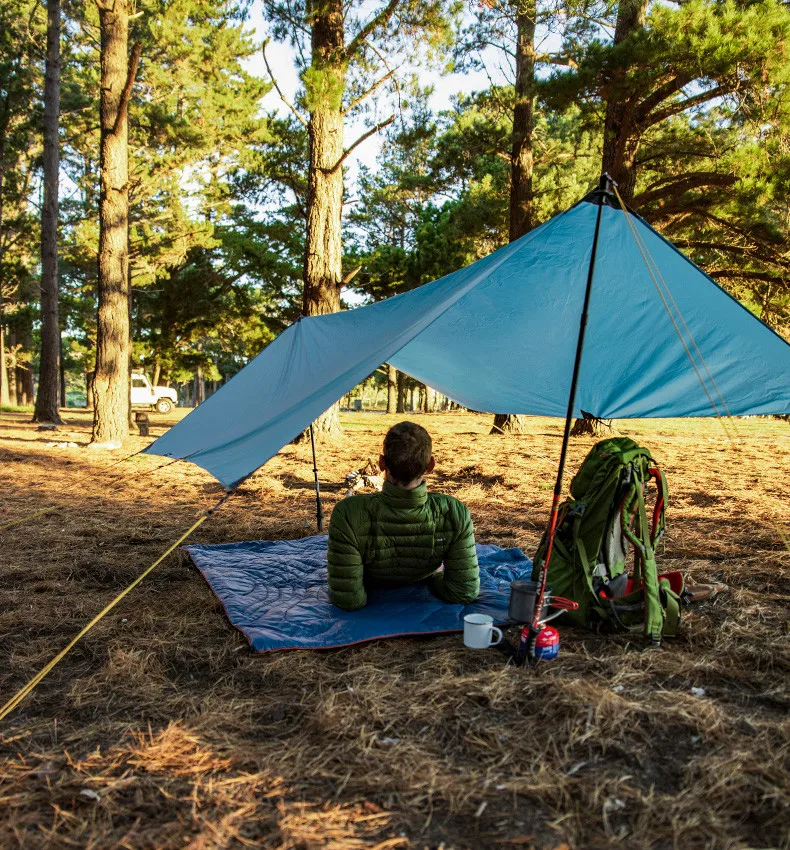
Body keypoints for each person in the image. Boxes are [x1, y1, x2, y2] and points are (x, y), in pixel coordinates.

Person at [327, 421, 480, 611]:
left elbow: (348, 599)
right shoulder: (454, 512)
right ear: (431, 465)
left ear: (382, 463)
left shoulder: (348, 513)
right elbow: (463, 592)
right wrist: (434, 576)